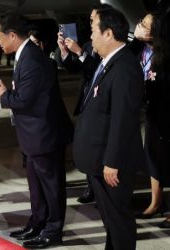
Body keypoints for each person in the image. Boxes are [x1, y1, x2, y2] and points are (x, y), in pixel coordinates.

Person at [0, 11, 73, 249]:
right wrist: (7, 94)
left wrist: (2, 95)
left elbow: (25, 99)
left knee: (51, 187)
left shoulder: (32, 59)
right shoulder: (26, 55)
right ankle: (38, 222)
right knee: (37, 184)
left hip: (44, 134)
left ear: (12, 35)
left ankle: (53, 230)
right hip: (33, 135)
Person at [72, 8, 144, 249]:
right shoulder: (108, 63)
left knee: (119, 220)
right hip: (99, 159)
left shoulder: (124, 68)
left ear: (109, 33)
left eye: (94, 32)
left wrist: (112, 162)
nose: (91, 37)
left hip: (112, 164)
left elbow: (123, 120)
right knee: (110, 220)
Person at [57, 3, 112, 204]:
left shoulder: (108, 46)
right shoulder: (89, 44)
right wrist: (64, 51)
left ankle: (103, 188)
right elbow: (73, 67)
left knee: (101, 146)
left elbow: (96, 71)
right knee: (87, 145)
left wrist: (80, 52)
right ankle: (91, 186)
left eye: (93, 20)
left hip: (101, 104)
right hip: (86, 100)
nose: (90, 23)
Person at [141, 11, 170, 228]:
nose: (139, 26)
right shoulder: (139, 50)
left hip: (165, 113)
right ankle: (155, 201)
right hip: (150, 113)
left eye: (144, 24)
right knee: (152, 156)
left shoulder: (165, 56)